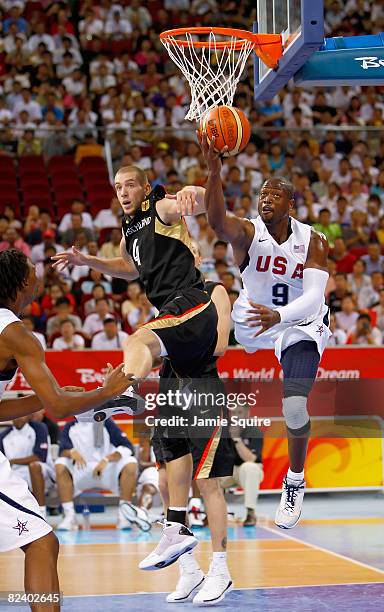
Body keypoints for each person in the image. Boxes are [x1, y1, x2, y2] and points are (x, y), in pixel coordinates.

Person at [52, 165, 235, 605]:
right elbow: (130, 268)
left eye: (129, 184)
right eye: (117, 187)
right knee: (168, 459)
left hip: (192, 323)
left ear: (143, 186)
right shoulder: (128, 228)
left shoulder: (160, 208)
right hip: (175, 355)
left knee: (207, 479)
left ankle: (222, 568)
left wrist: (193, 193)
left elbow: (180, 203)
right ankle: (185, 560)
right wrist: (87, 261)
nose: (123, 192)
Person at [201, 133, 331, 531]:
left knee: (293, 407)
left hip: (298, 324)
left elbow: (313, 297)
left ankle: (294, 481)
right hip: (253, 319)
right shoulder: (248, 232)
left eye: (275, 195)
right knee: (202, 322)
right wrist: (214, 170)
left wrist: (281, 317)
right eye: (263, 194)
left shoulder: (314, 240)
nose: (266, 199)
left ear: (291, 204)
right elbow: (218, 222)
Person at [0, 248, 134, 612]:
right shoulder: (15, 332)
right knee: (42, 542)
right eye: (33, 271)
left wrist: (42, 400)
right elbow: (59, 407)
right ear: (24, 282)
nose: (39, 276)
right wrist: (107, 391)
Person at [55, 419, 148, 531]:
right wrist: (71, 452)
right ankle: (70, 516)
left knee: (130, 462)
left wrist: (107, 459)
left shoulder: (106, 422)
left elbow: (127, 446)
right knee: (60, 463)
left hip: (106, 469)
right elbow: (62, 450)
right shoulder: (70, 426)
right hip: (81, 468)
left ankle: (124, 515)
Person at [0, 415, 56, 519]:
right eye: (15, 415)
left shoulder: (39, 428)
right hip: (15, 473)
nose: (18, 418)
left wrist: (13, 461)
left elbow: (39, 457)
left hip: (42, 470)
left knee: (34, 466)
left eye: (21, 415)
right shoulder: (3, 436)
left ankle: (42, 511)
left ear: (28, 415)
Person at [220, 406, 264, 527]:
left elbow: (251, 459)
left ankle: (250, 512)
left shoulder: (254, 432)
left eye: (239, 412)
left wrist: (236, 439)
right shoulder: (222, 432)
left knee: (249, 467)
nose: (236, 416)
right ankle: (212, 513)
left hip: (248, 472)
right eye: (233, 413)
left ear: (247, 414)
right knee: (211, 474)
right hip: (229, 471)